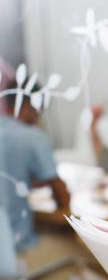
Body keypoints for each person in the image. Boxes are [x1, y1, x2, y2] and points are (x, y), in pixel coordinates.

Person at [0, 80, 70, 256]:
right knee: (72, 243)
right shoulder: (32, 137)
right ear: (33, 104)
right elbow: (63, 199)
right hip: (14, 254)